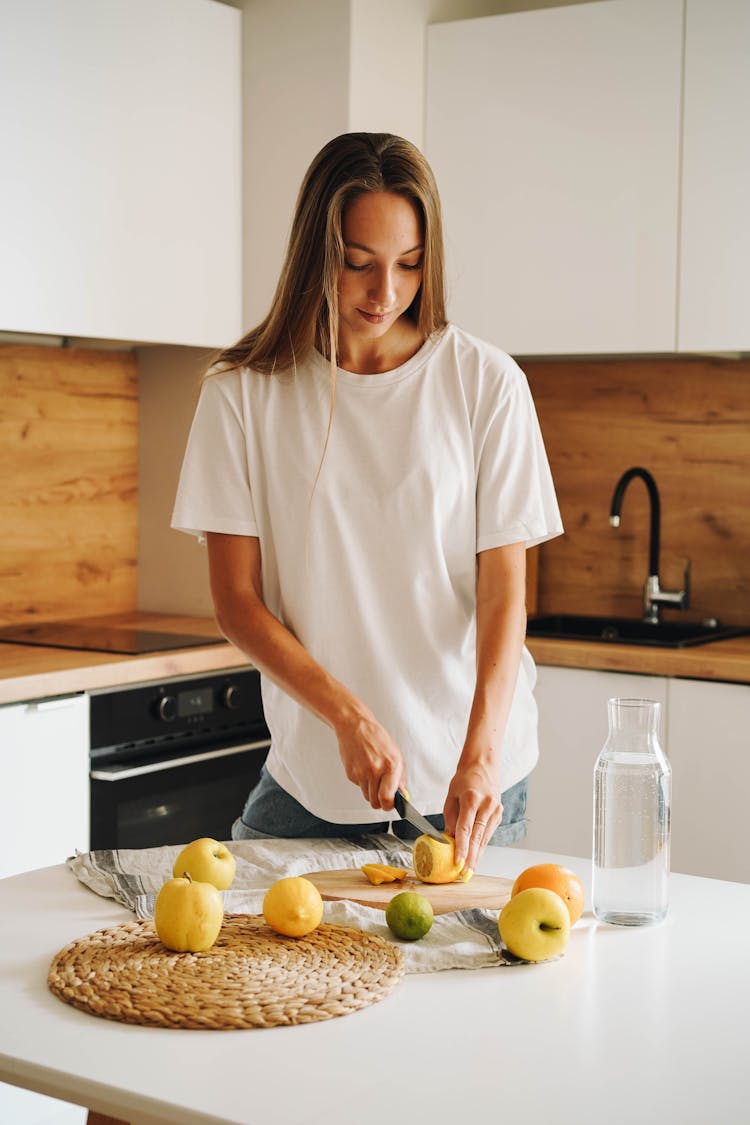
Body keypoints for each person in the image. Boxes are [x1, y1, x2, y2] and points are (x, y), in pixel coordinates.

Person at [171, 132, 563, 873]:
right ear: (316, 253)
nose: (385, 293)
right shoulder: (241, 394)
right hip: (314, 777)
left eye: (409, 265)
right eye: (359, 265)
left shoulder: (486, 383)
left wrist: (479, 758)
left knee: (465, 982)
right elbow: (237, 602)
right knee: (251, 971)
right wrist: (348, 717)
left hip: (469, 787)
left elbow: (503, 591)